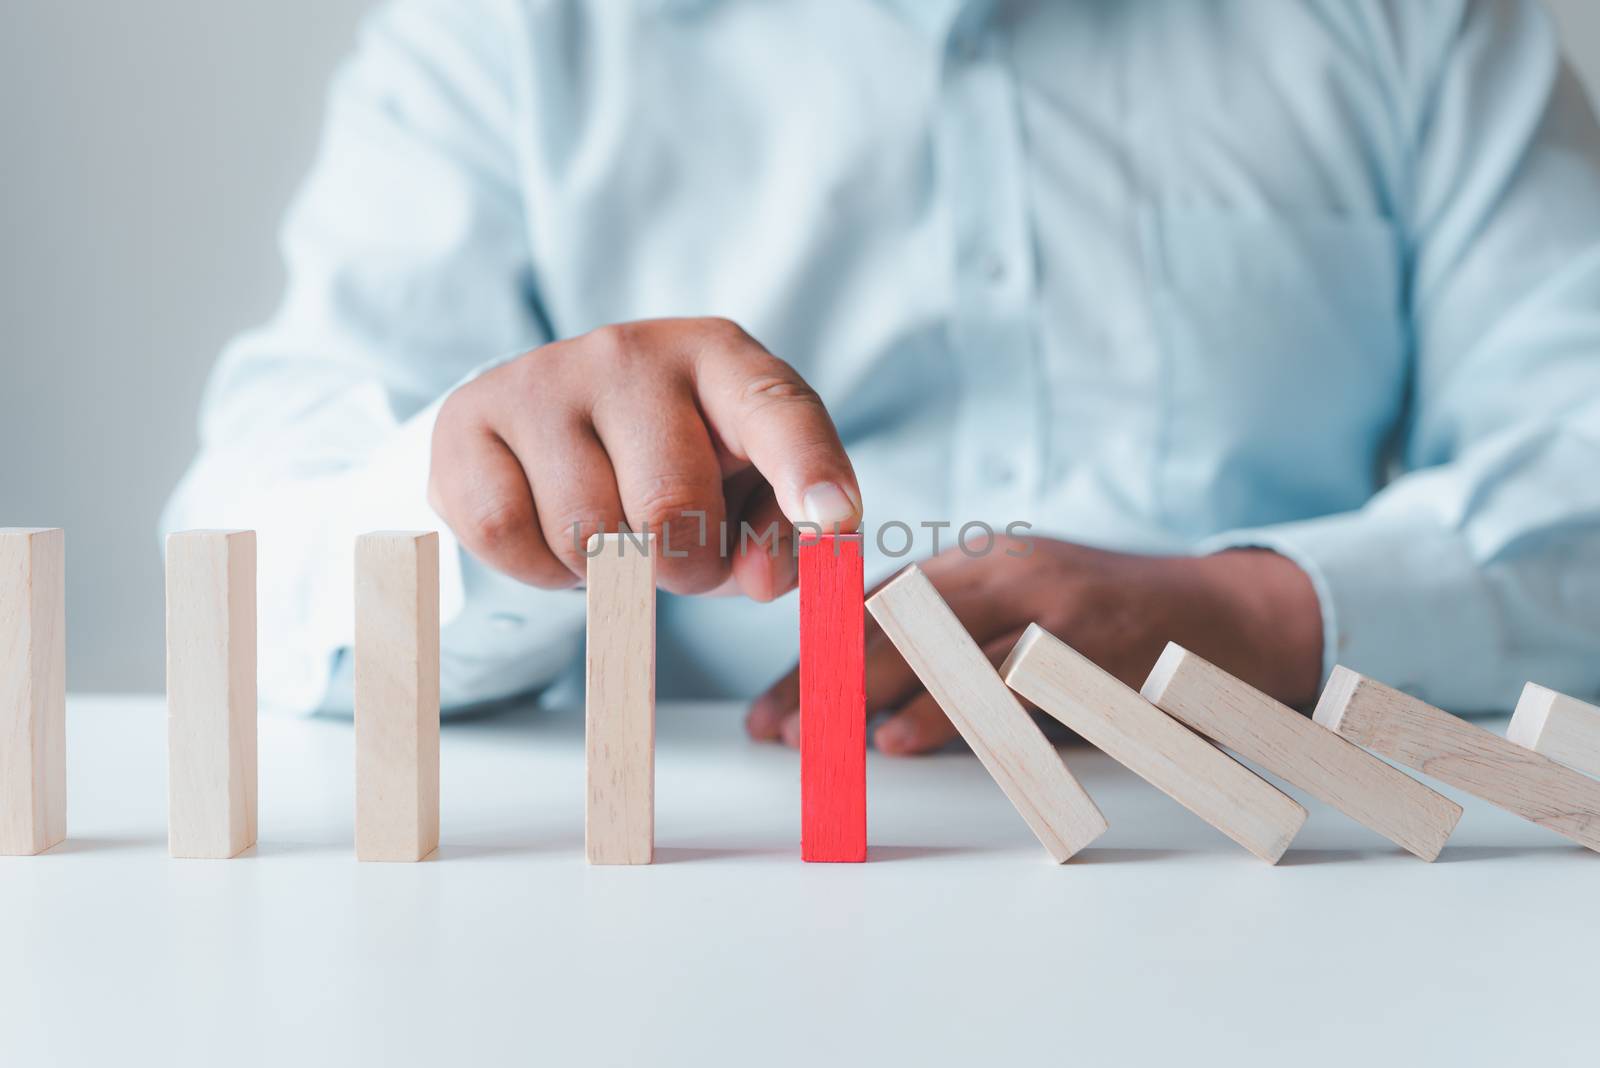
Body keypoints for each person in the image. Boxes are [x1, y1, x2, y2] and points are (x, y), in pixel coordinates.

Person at [164, 0, 1600, 755]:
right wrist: (478, 497)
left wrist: (1253, 612)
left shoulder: (1413, 17)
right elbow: (241, 558)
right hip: (679, 927)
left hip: (1280, 878)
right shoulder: (502, 39)